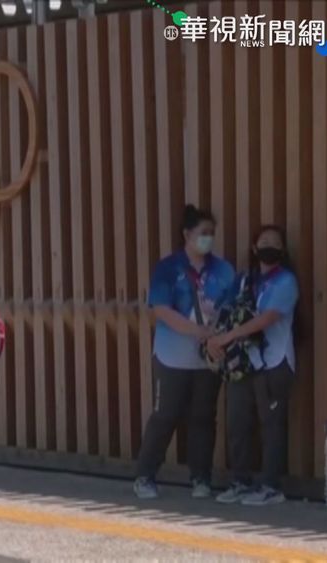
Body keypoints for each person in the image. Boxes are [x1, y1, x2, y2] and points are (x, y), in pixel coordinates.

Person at [134, 205, 236, 500]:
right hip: (172, 356)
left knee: (203, 417)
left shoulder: (224, 270)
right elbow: (161, 309)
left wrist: (218, 336)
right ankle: (145, 476)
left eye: (212, 233)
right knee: (165, 415)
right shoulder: (168, 268)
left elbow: (231, 309)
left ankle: (201, 478)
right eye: (203, 233)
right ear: (186, 234)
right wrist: (197, 331)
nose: (208, 238)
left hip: (208, 360)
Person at [210, 225, 299, 506]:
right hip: (242, 362)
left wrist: (230, 336)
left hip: (274, 361)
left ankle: (271, 486)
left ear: (282, 250)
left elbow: (267, 318)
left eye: (275, 242)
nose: (269, 246)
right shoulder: (244, 280)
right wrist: (213, 338)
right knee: (237, 422)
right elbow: (223, 309)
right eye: (264, 241)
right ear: (254, 248)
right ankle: (241, 481)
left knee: (271, 425)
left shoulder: (286, 281)